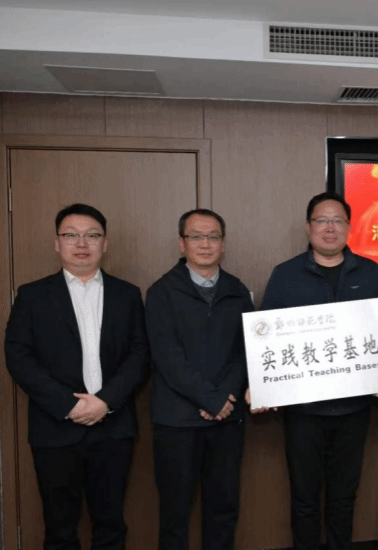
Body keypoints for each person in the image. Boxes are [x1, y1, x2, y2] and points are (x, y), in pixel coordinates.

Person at [260, 191, 378, 550]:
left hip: (353, 408)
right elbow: (267, 336)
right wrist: (264, 385)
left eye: (338, 220)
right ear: (309, 227)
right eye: (322, 220)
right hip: (303, 411)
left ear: (349, 228)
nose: (330, 228)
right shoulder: (286, 275)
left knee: (343, 496)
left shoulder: (369, 272)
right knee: (304, 498)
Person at [5, 203, 149, 550]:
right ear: (57, 243)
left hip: (113, 427)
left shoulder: (128, 294)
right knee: (59, 530)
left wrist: (106, 401)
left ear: (105, 243)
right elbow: (18, 357)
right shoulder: (32, 295)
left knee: (111, 525)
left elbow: (140, 354)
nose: (81, 243)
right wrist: (67, 406)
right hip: (55, 428)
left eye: (92, 235)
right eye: (71, 235)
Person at [145, 209, 255, 550]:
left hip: (227, 419)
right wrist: (210, 399)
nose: (205, 244)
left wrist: (224, 397)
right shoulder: (162, 291)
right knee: (174, 514)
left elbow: (245, 351)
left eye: (213, 237)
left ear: (223, 243)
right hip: (177, 422)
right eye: (196, 236)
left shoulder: (238, 291)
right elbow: (167, 356)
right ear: (182, 243)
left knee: (223, 510)